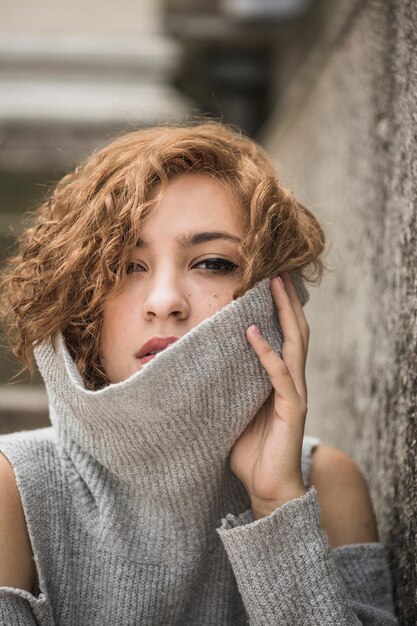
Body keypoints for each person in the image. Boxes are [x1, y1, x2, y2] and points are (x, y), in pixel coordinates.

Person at [0, 121, 397, 625]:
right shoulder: (13, 489)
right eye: (125, 266)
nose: (165, 302)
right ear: (78, 302)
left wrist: (278, 505)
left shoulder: (324, 482)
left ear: (276, 299)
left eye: (211, 263)